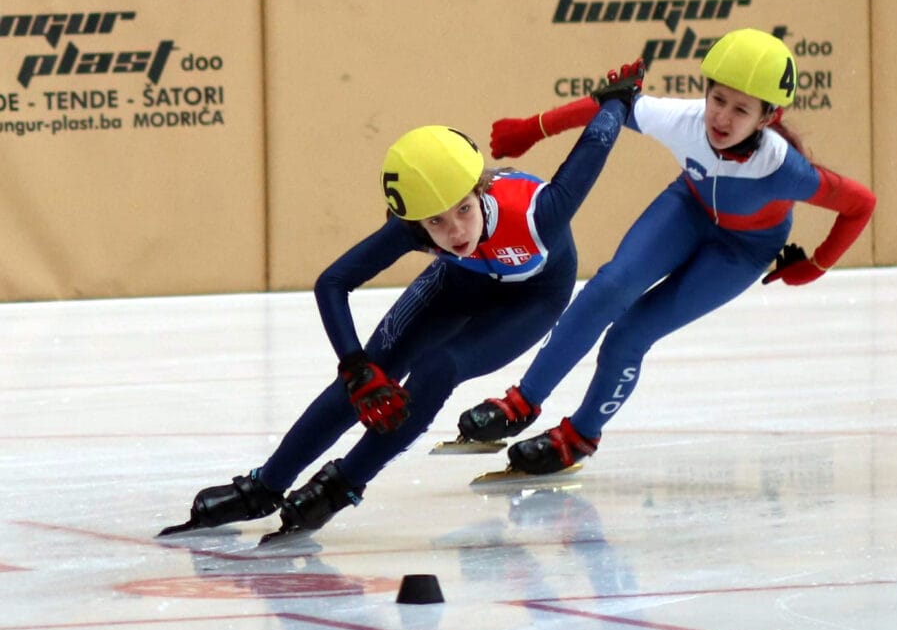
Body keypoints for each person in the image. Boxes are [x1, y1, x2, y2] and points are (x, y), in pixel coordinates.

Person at [158, 59, 644, 542]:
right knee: (374, 374)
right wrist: (355, 368)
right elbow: (332, 282)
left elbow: (596, 143)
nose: (455, 232)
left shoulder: (541, 213)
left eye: (463, 210)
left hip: (532, 297)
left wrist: (618, 99)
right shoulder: (415, 226)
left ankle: (344, 483)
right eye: (435, 222)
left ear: (479, 190)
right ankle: (265, 486)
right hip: (460, 283)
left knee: (439, 367)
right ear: (415, 220)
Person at [458, 28, 876, 476]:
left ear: (767, 118)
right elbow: (610, 105)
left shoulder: (783, 168)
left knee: (630, 335)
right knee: (607, 289)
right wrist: (531, 129)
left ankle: (580, 435)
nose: (722, 118)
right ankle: (523, 400)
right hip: (687, 210)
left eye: (741, 110)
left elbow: (860, 204)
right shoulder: (684, 119)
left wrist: (816, 265)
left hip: (741, 250)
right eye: (718, 100)